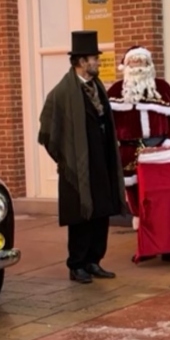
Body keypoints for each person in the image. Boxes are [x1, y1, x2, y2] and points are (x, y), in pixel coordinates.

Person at [38, 30, 127, 285]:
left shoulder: (97, 87)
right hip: (76, 167)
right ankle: (76, 265)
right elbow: (48, 132)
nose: (98, 62)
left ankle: (93, 261)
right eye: (93, 59)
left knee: (100, 212)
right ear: (81, 62)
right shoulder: (62, 93)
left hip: (101, 161)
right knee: (80, 217)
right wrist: (66, 160)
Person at [106, 46, 170, 264]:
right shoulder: (116, 91)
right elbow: (108, 127)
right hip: (130, 154)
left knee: (166, 203)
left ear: (149, 65)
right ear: (126, 65)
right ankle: (146, 246)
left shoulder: (162, 88)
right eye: (133, 62)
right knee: (139, 204)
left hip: (161, 154)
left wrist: (169, 145)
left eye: (142, 61)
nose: (138, 66)